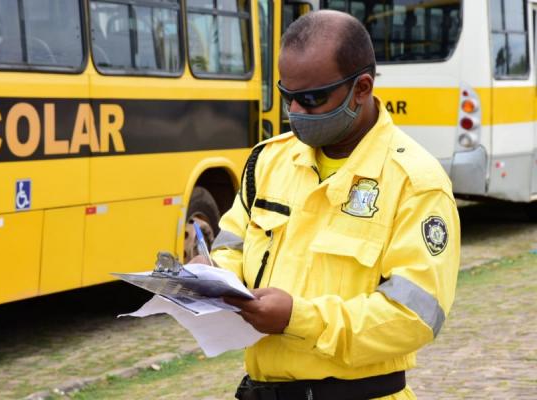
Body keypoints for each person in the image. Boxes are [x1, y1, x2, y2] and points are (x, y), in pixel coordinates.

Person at [194, 10, 460, 400]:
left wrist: (297, 318)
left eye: (313, 99)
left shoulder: (415, 182)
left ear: (362, 88)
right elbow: (232, 247)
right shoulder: (267, 161)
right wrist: (211, 275)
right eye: (288, 97)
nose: (296, 112)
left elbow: (414, 319)